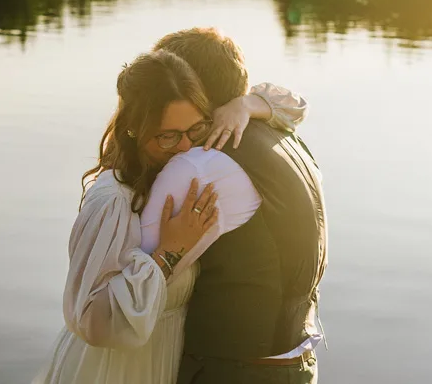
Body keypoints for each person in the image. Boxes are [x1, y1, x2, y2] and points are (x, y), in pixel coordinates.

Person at [33, 48, 307, 384]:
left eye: (195, 130)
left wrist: (244, 105)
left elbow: (294, 106)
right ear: (133, 129)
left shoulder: (170, 180)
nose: (184, 147)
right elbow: (91, 321)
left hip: (163, 359)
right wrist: (168, 253)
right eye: (168, 136)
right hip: (114, 370)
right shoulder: (113, 199)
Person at [142, 28, 328, 384]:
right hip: (297, 363)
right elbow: (295, 102)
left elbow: (135, 272)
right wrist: (248, 104)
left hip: (230, 369)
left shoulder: (197, 166)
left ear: (186, 89)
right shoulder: (284, 135)